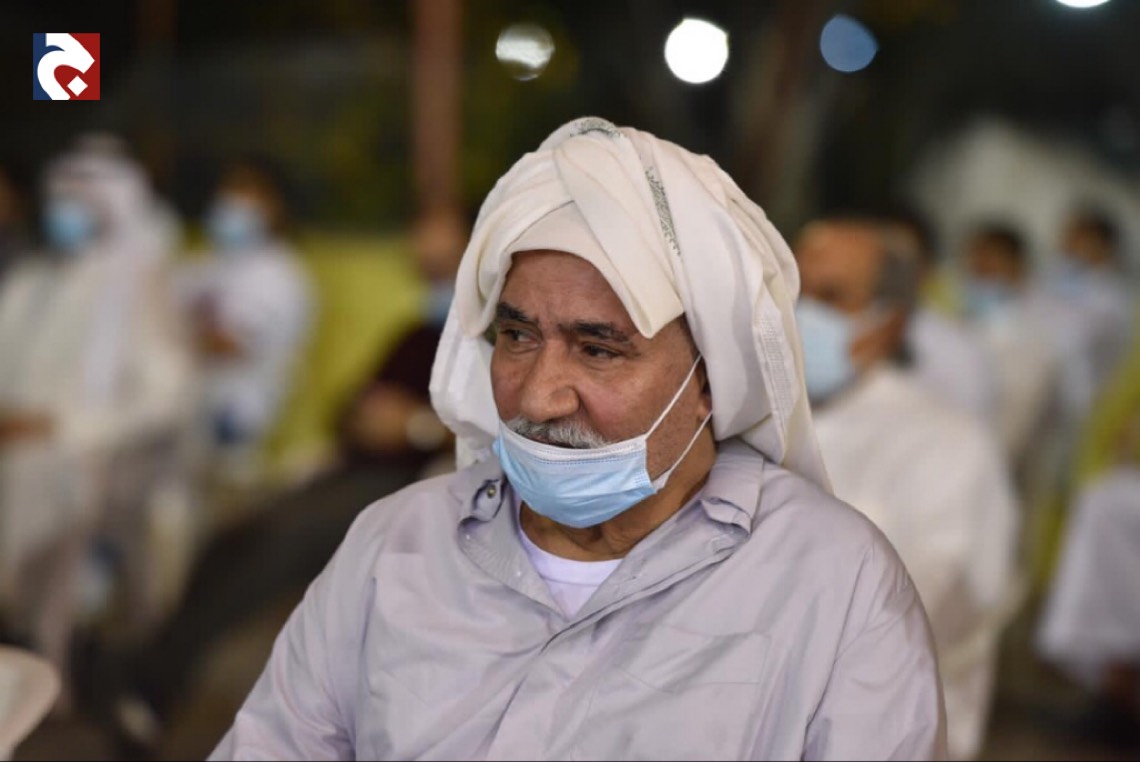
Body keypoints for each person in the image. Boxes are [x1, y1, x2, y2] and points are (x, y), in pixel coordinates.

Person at [211, 117, 946, 760]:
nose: (538, 396)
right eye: (517, 337)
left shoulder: (835, 585)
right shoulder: (394, 546)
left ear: (711, 380)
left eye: (598, 350)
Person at [94, 206, 466, 754]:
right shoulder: (417, 333)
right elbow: (350, 408)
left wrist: (410, 426)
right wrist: (362, 418)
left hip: (405, 484)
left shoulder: (491, 342)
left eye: (437, 236)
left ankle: (150, 686)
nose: (422, 248)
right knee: (232, 534)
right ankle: (149, 674)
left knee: (276, 543)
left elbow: (479, 434)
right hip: (350, 468)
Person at [793, 217, 1020, 760]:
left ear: (888, 324)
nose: (798, 313)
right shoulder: (738, 413)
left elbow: (924, 609)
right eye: (791, 291)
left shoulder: (950, 446)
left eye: (830, 297)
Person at [0, 136, 194, 706]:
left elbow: (167, 396)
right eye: (61, 197)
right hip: (16, 440)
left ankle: (41, 666)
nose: (66, 212)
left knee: (44, 478)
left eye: (82, 199)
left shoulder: (138, 286)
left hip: (91, 453)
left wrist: (59, 427)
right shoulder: (33, 280)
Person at [179, 158, 313, 480]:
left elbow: (229, 343)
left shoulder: (280, 275)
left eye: (245, 198)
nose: (230, 207)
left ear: (274, 209)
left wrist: (164, 334)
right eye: (226, 197)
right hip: (190, 409)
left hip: (235, 421)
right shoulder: (207, 264)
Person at [886, 208, 997, 423]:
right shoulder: (831, 331)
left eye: (896, 261)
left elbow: (970, 431)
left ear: (926, 267)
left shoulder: (960, 353)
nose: (885, 271)